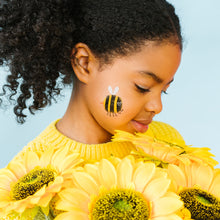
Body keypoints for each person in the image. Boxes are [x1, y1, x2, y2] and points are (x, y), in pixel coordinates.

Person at [0, 0, 183, 161]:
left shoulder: (168, 145)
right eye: (142, 87)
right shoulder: (28, 175)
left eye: (164, 89)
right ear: (84, 63)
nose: (157, 107)